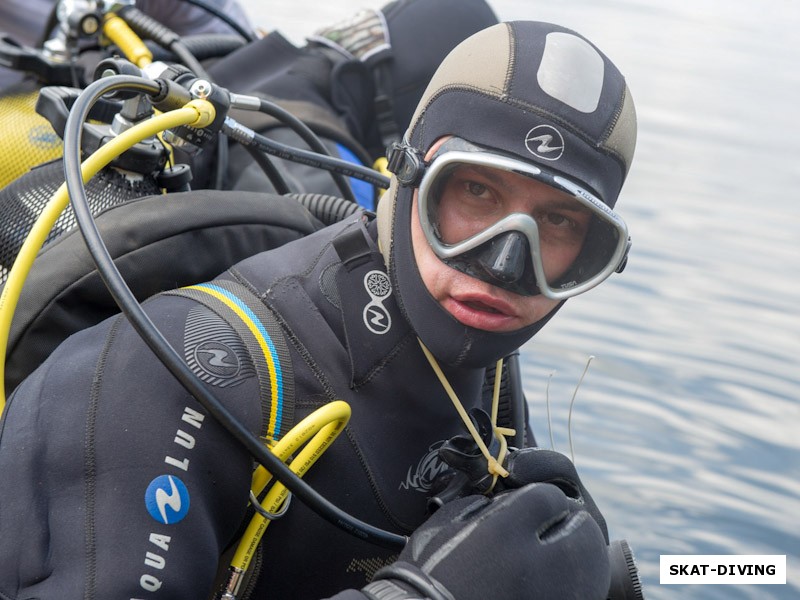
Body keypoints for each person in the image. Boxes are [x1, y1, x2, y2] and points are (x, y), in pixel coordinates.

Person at [0, 18, 638, 600]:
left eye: (558, 223)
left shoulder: (487, 368)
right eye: (473, 190)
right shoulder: (156, 381)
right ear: (406, 175)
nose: (501, 265)